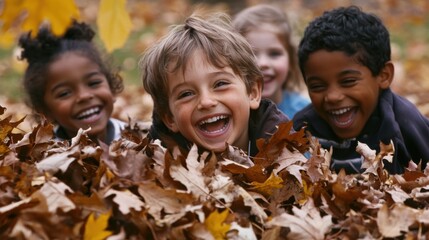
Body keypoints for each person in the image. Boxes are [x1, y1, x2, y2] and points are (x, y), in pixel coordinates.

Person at [292, 6, 429, 174]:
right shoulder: (303, 128)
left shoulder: (404, 122)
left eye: (348, 81)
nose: (333, 97)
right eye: (317, 86)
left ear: (383, 76)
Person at [140, 12, 289, 157]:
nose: (206, 102)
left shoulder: (286, 153)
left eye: (220, 84)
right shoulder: (157, 167)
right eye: (186, 94)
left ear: (253, 92)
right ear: (170, 118)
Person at [19, 20, 126, 145]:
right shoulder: (44, 157)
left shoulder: (139, 137)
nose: (84, 96)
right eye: (64, 93)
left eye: (93, 83)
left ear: (110, 85)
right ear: (44, 111)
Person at [232, 4, 310, 119]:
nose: (263, 63)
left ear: (291, 60)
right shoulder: (233, 113)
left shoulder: (305, 112)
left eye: (274, 54)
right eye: (252, 54)